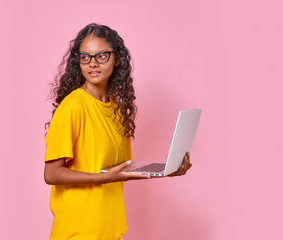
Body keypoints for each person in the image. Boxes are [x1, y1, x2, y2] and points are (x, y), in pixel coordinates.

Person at [44, 23, 192, 240]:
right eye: (85, 57)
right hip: (80, 230)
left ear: (117, 59)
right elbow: (51, 173)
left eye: (101, 56)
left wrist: (167, 170)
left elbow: (117, 170)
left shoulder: (116, 110)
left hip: (109, 229)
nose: (93, 64)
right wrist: (102, 179)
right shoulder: (72, 107)